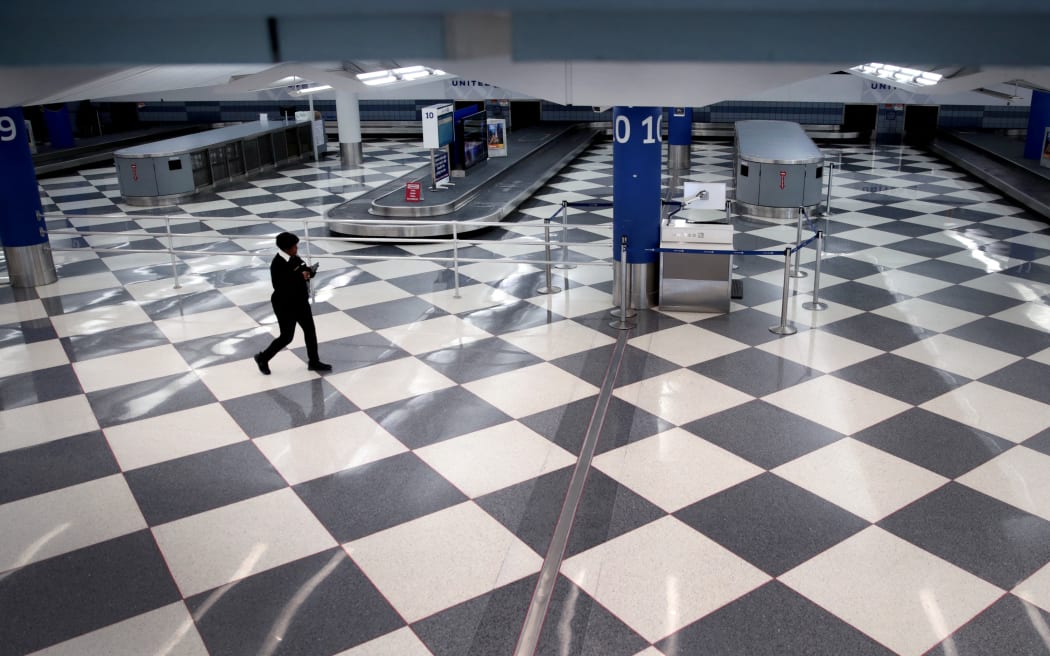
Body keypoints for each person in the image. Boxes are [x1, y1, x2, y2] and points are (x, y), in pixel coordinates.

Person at [254, 232, 331, 374]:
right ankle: (263, 357)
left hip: (301, 301)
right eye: (294, 246)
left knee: (310, 331)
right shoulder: (277, 264)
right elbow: (281, 287)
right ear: (286, 248)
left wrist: (310, 272)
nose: (297, 248)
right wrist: (299, 277)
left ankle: (314, 361)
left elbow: (303, 269)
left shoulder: (294, 258)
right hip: (285, 305)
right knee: (287, 337)